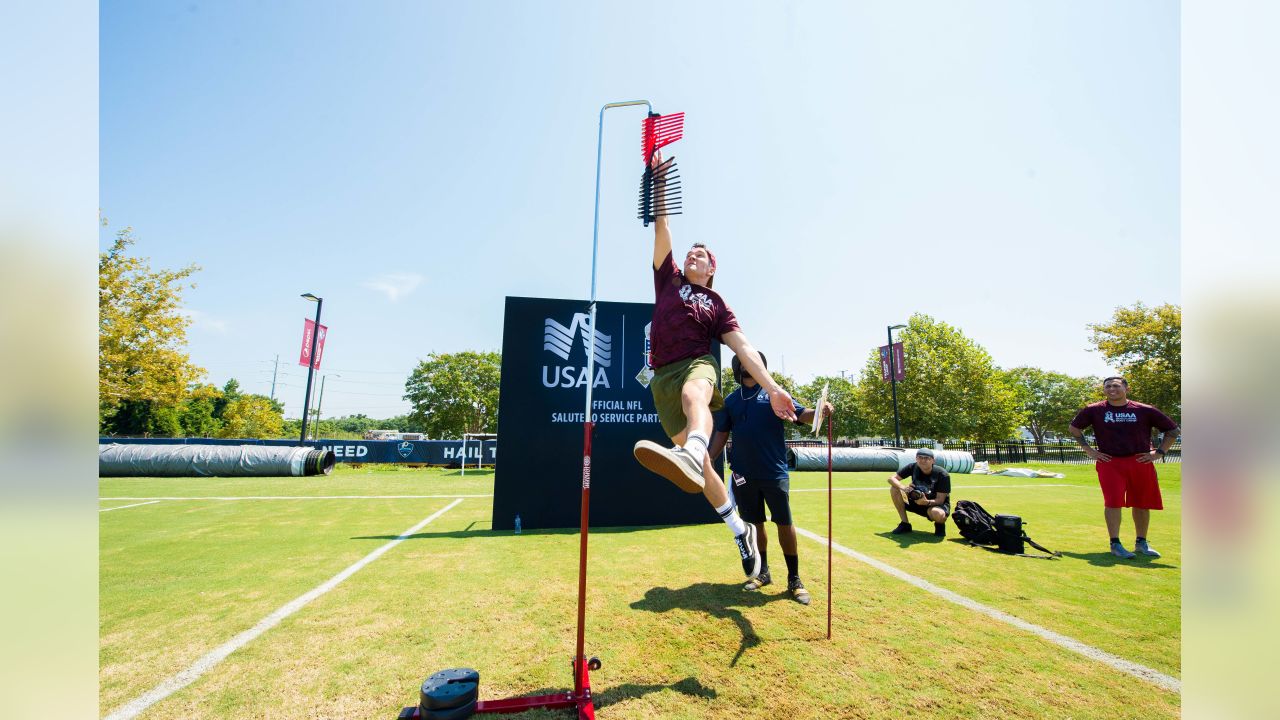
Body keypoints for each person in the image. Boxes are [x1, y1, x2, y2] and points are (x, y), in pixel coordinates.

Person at [632, 149, 798, 581]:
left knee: (695, 397)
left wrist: (773, 387)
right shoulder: (667, 278)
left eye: (701, 254)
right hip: (660, 378)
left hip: (695, 365)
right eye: (690, 252)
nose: (692, 255)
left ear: (712, 268)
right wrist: (659, 181)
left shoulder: (717, 303)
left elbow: (742, 347)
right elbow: (662, 224)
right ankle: (738, 529)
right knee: (703, 470)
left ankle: (690, 451)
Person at [708, 353, 833, 604]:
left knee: (784, 523)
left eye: (753, 361)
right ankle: (763, 573)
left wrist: (820, 411)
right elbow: (721, 433)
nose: (748, 365)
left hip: (774, 472)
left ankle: (794, 579)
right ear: (737, 367)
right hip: (743, 474)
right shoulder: (731, 400)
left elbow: (801, 414)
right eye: (743, 361)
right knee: (754, 526)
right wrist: (706, 460)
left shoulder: (775, 394)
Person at [1068, 376, 1180, 559]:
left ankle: (1141, 543)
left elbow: (1173, 431)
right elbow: (1074, 429)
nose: (1112, 389)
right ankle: (1115, 544)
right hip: (1109, 462)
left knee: (1142, 503)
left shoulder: (1144, 410)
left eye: (1116, 386)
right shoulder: (1094, 410)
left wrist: (1159, 453)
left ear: (1126, 388)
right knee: (1113, 502)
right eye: (1108, 386)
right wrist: (1089, 450)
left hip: (1140, 461)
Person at [887, 448, 951, 537]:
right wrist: (904, 488)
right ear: (916, 459)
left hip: (933, 505)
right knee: (895, 488)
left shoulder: (942, 474)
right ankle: (905, 524)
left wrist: (926, 502)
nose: (923, 460)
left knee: (939, 514)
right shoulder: (912, 467)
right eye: (920, 457)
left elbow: (940, 500)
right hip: (916, 500)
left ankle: (939, 525)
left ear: (933, 461)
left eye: (927, 458)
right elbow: (891, 478)